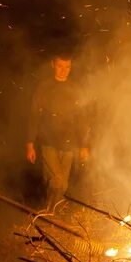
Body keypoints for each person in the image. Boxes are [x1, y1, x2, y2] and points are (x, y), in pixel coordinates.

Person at [26, 52, 90, 213]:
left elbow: (82, 119)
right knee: (57, 181)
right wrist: (29, 144)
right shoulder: (45, 88)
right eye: (60, 66)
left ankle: (52, 213)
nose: (64, 70)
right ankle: (51, 211)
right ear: (52, 65)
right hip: (49, 143)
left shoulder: (75, 89)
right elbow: (34, 115)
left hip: (69, 144)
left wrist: (84, 145)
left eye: (67, 67)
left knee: (62, 184)